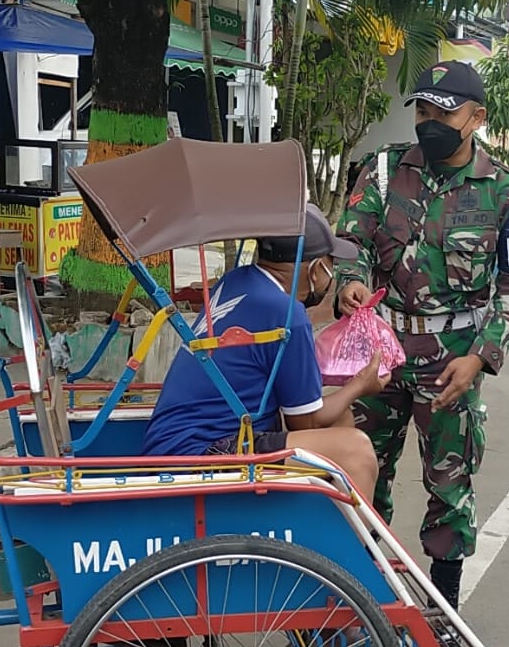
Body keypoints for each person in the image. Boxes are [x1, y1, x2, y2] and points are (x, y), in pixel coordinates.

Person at [334, 60, 509, 613]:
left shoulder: (504, 191)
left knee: (449, 489)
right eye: (422, 111)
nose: (429, 123)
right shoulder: (382, 171)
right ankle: (364, 601)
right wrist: (350, 283)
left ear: (475, 117)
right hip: (376, 356)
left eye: (442, 113)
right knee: (357, 478)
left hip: (451, 362)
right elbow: (350, 241)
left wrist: (482, 357)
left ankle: (444, 611)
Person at [141, 205, 387, 502]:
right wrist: (361, 385)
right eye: (329, 263)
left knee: (340, 419)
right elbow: (305, 423)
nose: (330, 275)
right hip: (203, 451)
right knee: (356, 451)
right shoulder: (286, 313)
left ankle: (323, 525)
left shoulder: (237, 281)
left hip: (181, 439)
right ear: (313, 267)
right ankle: (349, 547)